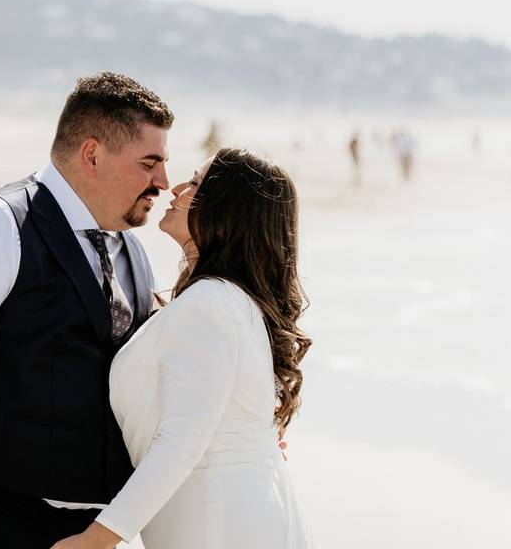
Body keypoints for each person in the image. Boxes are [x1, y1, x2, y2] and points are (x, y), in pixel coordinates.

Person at [0, 72, 173, 549]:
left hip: (84, 536)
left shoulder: (134, 251)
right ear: (92, 155)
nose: (163, 183)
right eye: (149, 163)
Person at [51, 148, 314, 549]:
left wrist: (96, 540)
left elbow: (180, 443)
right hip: (233, 513)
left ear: (227, 210)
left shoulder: (209, 304)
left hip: (221, 523)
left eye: (195, 183)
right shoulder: (219, 301)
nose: (176, 188)